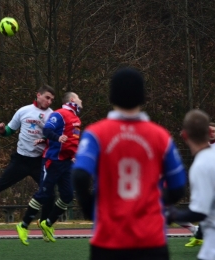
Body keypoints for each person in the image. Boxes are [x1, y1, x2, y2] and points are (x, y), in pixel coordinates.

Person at [72, 67, 187, 260]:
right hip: (151, 241)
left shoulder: (96, 134)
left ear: (112, 96)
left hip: (108, 241)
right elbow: (178, 188)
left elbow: (80, 174)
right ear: (142, 97)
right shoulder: (161, 136)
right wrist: (156, 201)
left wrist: (89, 208)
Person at [0, 85, 55, 233]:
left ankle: (44, 225)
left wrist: (46, 140)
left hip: (38, 162)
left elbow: (54, 137)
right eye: (47, 97)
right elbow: (10, 130)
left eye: (52, 99)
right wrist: (2, 131)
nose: (49, 101)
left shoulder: (53, 116)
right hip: (20, 160)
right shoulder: (23, 111)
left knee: (49, 191)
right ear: (38, 95)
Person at [16, 92, 82, 246]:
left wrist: (74, 154)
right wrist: (55, 138)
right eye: (79, 98)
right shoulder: (60, 114)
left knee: (67, 195)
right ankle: (23, 225)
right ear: (72, 100)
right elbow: (47, 129)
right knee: (44, 194)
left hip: (66, 163)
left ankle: (48, 223)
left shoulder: (76, 119)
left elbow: (71, 141)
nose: (81, 101)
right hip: (52, 161)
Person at [166, 109, 215, 260]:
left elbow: (199, 212)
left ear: (184, 135)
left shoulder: (202, 164)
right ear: (209, 132)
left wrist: (170, 215)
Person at [183, 121, 215, 247]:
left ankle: (202, 236)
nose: (211, 134)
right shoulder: (205, 146)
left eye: (214, 131)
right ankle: (200, 236)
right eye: (209, 131)